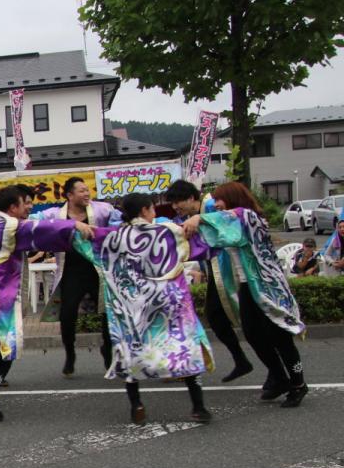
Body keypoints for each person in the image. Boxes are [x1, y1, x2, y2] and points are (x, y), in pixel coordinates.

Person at [72, 193, 212, 423]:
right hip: (169, 304)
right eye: (152, 209)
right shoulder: (169, 232)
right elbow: (208, 240)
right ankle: (198, 407)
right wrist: (200, 220)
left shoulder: (112, 236)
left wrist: (75, 225)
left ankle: (136, 405)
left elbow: (76, 236)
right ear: (146, 210)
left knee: (131, 353)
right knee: (184, 347)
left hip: (132, 306)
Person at [0, 187, 88, 421]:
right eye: (25, 203)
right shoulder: (11, 226)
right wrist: (74, 225)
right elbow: (43, 230)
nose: (29, 208)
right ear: (12, 207)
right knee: (7, 349)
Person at [181, 182, 308, 407]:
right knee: (253, 334)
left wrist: (199, 219)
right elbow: (210, 242)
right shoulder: (230, 224)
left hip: (268, 288)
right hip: (248, 286)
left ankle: (298, 384)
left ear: (231, 198)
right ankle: (279, 378)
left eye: (219, 200)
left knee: (280, 337)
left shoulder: (249, 217)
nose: (216, 205)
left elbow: (233, 217)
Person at [165, 180, 255, 382]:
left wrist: (199, 218)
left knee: (242, 321)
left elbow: (229, 219)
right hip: (220, 270)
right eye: (172, 203)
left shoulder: (210, 206)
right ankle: (242, 360)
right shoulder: (191, 217)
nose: (175, 207)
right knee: (216, 316)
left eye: (178, 201)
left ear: (191, 198)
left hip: (236, 269)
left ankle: (263, 368)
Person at [36, 177, 117, 376]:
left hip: (97, 270)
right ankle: (70, 353)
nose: (87, 193)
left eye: (87, 190)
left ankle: (107, 351)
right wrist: (72, 225)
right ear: (69, 195)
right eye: (81, 191)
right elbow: (32, 222)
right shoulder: (55, 213)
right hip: (70, 271)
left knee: (107, 312)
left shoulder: (102, 210)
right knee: (68, 314)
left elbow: (123, 222)